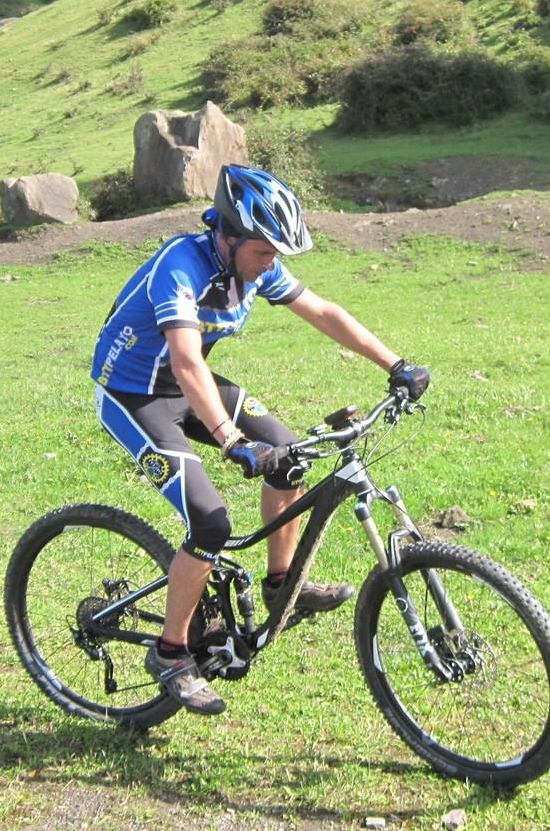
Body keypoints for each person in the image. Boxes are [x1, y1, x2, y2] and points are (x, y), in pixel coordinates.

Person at [90, 164, 430, 716]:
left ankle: (281, 583)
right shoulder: (181, 265)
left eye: (276, 254)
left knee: (289, 458)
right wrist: (230, 440)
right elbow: (186, 360)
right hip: (134, 395)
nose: (271, 263)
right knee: (211, 520)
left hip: (190, 384)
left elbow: (323, 312)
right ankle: (171, 654)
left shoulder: (254, 266)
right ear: (228, 236)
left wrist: (396, 364)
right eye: (264, 252)